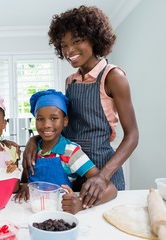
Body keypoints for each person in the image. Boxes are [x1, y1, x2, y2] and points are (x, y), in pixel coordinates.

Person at [23, 5, 139, 209]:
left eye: (76, 41)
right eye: (63, 45)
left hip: (103, 172)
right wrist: (35, 140)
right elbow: (64, 125)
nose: (69, 51)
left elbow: (132, 136)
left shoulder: (113, 77)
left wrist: (103, 177)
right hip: (72, 168)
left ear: (94, 38)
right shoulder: (71, 81)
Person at [14, 89, 117, 214]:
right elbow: (27, 172)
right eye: (40, 119)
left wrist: (81, 204)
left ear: (65, 121)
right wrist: (24, 183)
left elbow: (111, 189)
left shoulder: (71, 152)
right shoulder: (33, 148)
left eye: (54, 118)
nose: (46, 124)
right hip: (31, 212)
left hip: (61, 214)